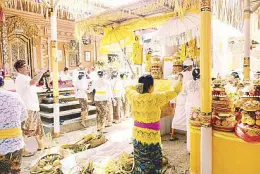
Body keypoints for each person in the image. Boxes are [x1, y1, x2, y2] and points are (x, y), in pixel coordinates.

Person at [126, 75, 182, 173]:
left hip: (137, 136)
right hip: (151, 137)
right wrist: (180, 79)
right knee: (153, 162)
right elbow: (175, 91)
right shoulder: (155, 98)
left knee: (139, 160)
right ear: (150, 87)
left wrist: (139, 87)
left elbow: (128, 88)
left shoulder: (134, 97)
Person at [14, 60, 46, 156]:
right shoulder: (21, 78)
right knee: (26, 129)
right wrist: (41, 72)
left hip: (33, 106)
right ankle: (23, 150)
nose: (28, 67)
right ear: (19, 69)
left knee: (38, 127)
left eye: (27, 65)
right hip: (28, 107)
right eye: (25, 66)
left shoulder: (25, 77)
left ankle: (42, 145)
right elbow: (34, 82)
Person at [0, 74, 28, 173]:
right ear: (3, 83)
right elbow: (24, 116)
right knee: (14, 171)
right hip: (15, 143)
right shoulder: (15, 96)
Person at [170, 59, 193, 141]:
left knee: (177, 115)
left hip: (179, 97)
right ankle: (187, 138)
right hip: (188, 98)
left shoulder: (179, 75)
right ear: (190, 66)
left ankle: (172, 135)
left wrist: (172, 100)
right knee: (188, 117)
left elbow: (174, 88)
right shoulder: (191, 75)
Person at [184, 68, 200, 152]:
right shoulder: (202, 83)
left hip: (188, 107)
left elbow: (185, 93)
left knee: (189, 126)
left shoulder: (187, 83)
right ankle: (196, 148)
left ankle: (190, 148)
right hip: (198, 107)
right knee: (198, 128)